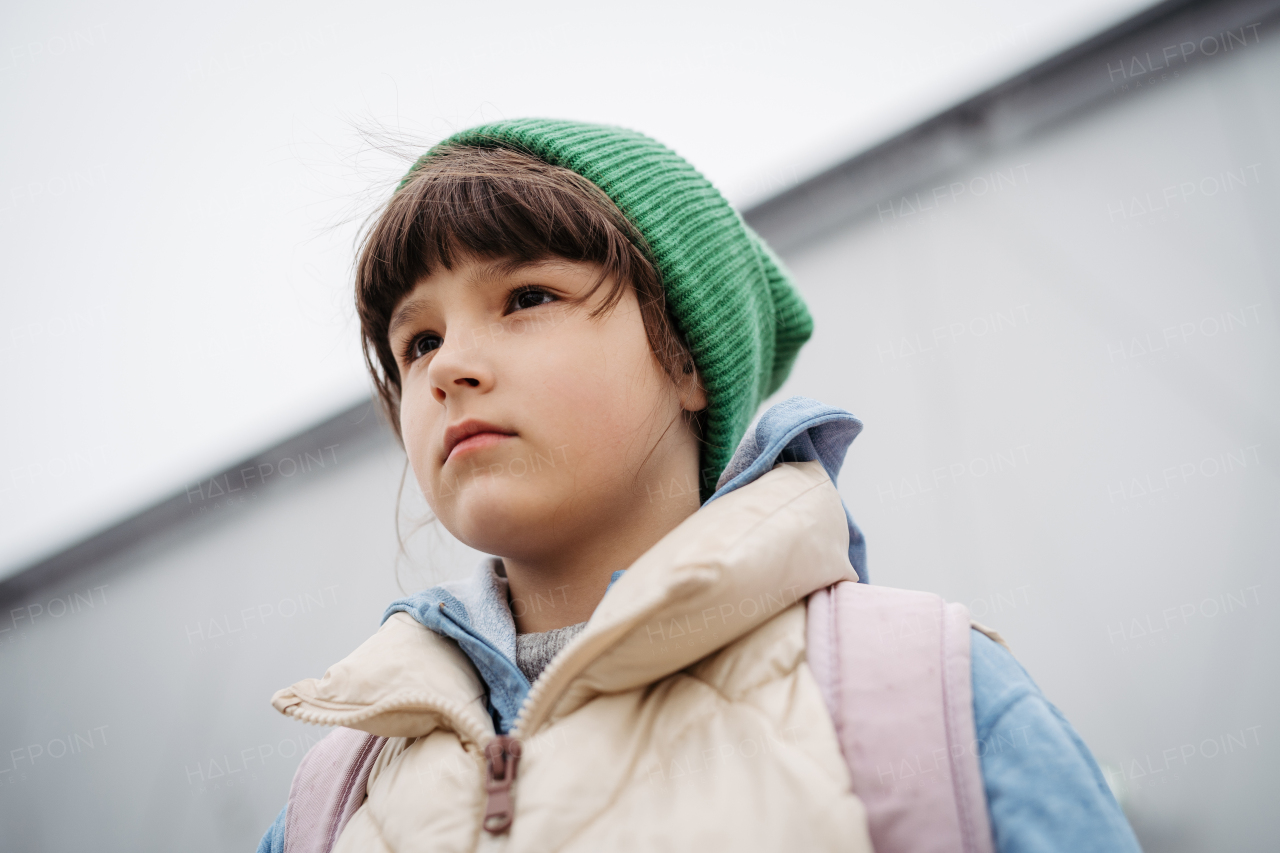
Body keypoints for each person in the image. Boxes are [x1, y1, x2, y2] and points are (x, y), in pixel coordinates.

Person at [256, 120, 1141, 853]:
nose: (449, 366)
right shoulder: (332, 802)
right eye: (417, 342)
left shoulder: (920, 692)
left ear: (689, 360)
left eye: (526, 297)